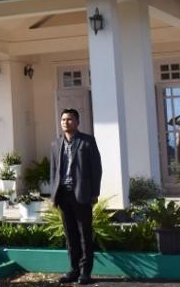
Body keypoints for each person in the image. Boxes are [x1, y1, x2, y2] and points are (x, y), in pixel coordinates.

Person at [50, 108, 102, 286]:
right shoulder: (56, 144)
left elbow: (96, 169)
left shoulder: (87, 142)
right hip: (63, 195)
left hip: (82, 194)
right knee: (70, 235)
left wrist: (95, 193)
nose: (66, 122)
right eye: (63, 119)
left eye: (70, 119)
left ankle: (85, 272)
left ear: (77, 122)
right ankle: (73, 270)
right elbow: (54, 172)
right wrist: (53, 196)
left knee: (84, 235)